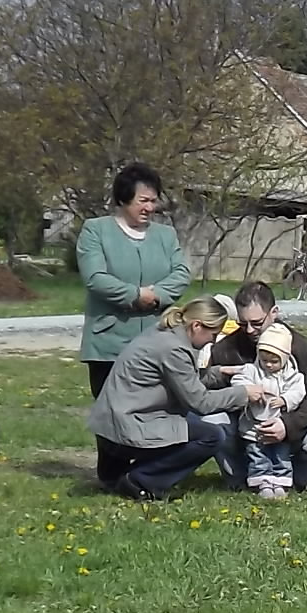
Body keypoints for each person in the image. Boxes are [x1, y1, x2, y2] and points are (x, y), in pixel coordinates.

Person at [78, 162, 190, 484]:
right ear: (123, 199)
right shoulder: (95, 231)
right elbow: (95, 277)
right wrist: (133, 295)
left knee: (158, 406)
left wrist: (156, 297)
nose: (149, 208)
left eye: (153, 201)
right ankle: (111, 474)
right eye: (143, 200)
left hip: (156, 338)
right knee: (114, 410)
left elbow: (181, 273)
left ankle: (147, 471)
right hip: (109, 340)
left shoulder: (166, 236)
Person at [86, 296, 261, 501]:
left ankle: (117, 474)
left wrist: (219, 372)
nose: (213, 341)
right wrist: (243, 393)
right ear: (197, 326)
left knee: (191, 425)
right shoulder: (174, 348)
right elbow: (200, 402)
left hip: (111, 426)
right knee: (211, 435)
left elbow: (182, 379)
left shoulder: (164, 333)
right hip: (126, 428)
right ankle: (140, 480)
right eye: (213, 334)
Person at [201, 282, 307, 492]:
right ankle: (240, 479)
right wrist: (242, 396)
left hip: (289, 418)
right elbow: (212, 396)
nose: (249, 330)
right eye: (242, 324)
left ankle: (293, 480)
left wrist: (287, 425)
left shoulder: (300, 346)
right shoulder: (226, 349)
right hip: (245, 425)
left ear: (274, 312)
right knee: (211, 422)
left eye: (257, 323)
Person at [230, 323, 307, 499]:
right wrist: (250, 391)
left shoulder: (292, 375)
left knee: (281, 454)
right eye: (264, 360)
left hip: (278, 422)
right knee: (257, 454)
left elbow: (298, 392)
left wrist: (285, 400)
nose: (269, 365)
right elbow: (238, 381)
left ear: (285, 358)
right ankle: (262, 482)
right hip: (253, 425)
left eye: (274, 361)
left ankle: (281, 482)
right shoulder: (251, 370)